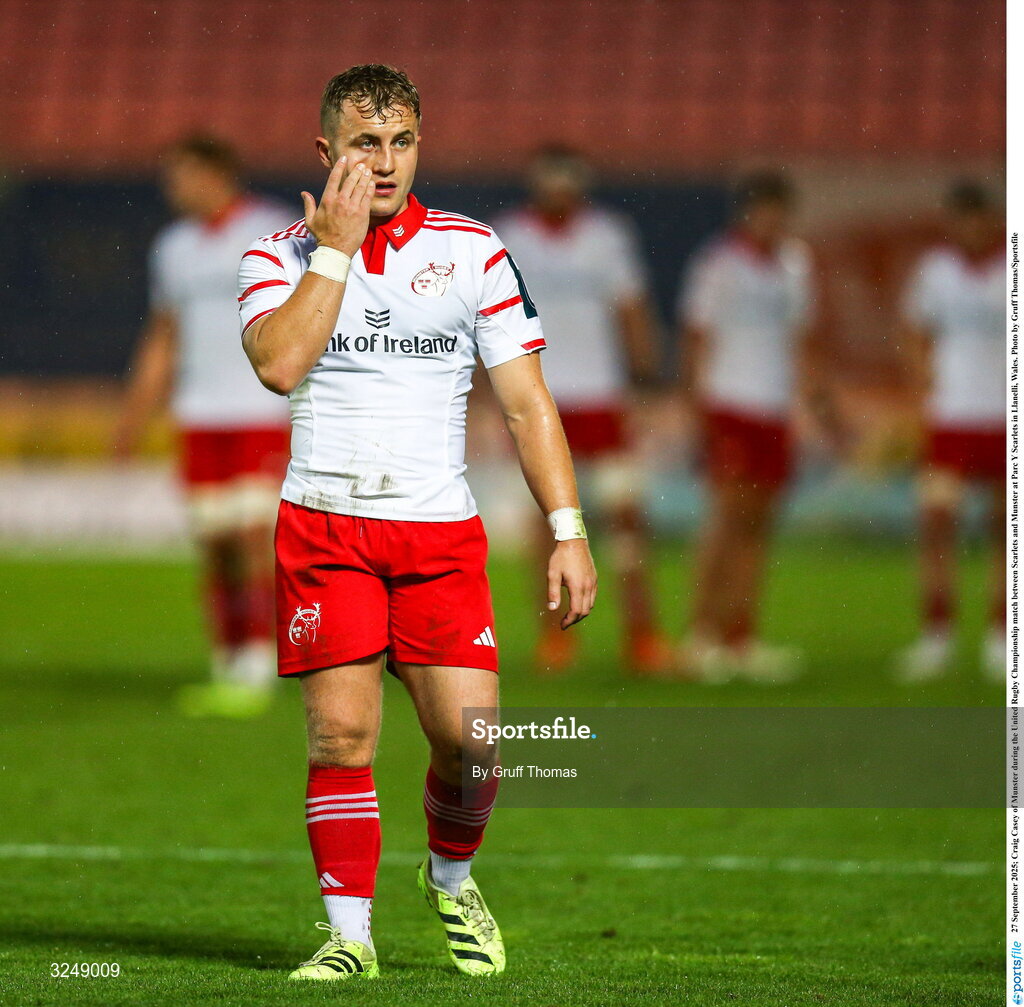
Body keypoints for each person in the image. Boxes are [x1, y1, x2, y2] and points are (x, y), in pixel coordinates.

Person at [236, 65, 596, 981]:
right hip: (326, 527)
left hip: (437, 535)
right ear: (327, 152)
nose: (386, 162)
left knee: (472, 751)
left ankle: (451, 875)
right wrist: (336, 251)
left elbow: (527, 405)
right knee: (341, 739)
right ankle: (349, 937)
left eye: (401, 142)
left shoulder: (474, 253)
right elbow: (279, 366)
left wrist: (567, 526)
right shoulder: (274, 256)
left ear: (420, 146)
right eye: (365, 143)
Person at [115, 136, 291, 717]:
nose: (173, 189)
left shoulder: (277, 232)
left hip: (263, 410)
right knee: (215, 543)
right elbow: (164, 334)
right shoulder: (174, 248)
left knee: (251, 539)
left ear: (218, 172)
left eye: (182, 176)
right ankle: (227, 659)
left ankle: (257, 665)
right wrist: (135, 413)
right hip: (200, 413)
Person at [491, 147, 670, 675]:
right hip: (536, 395)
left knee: (626, 516)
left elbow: (631, 309)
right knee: (542, 524)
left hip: (601, 397)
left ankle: (642, 633)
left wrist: (644, 379)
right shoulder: (510, 237)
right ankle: (556, 637)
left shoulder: (606, 237)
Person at [676, 172, 826, 682]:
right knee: (725, 521)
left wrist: (808, 402)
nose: (772, 220)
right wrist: (698, 409)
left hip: (774, 408)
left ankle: (741, 635)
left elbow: (799, 339)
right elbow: (696, 337)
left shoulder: (794, 265)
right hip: (730, 403)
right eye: (763, 209)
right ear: (746, 213)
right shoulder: (720, 264)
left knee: (759, 525)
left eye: (779, 210)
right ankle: (701, 634)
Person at [896, 181, 1005, 682]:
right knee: (937, 525)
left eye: (979, 218)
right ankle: (936, 635)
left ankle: (1001, 636)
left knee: (1005, 530)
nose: (972, 229)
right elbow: (915, 334)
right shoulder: (935, 274)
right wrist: (924, 391)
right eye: (963, 219)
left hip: (1004, 416)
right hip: (951, 416)